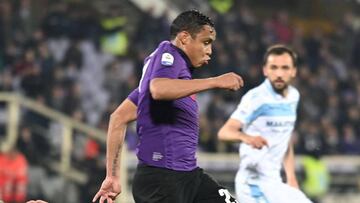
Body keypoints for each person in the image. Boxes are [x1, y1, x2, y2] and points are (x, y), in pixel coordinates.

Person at [93, 10, 243, 203]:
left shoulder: (170, 77)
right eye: (206, 42)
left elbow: (118, 118)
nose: (210, 51)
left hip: (188, 176)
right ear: (184, 38)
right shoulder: (168, 53)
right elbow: (159, 88)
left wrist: (112, 176)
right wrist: (215, 81)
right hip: (162, 178)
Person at [218, 45, 312, 203]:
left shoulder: (293, 97)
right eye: (274, 67)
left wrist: (291, 177)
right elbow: (224, 132)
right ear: (265, 70)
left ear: (294, 71)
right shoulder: (257, 98)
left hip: (275, 183)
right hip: (253, 183)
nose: (279, 73)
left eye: (285, 68)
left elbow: (285, 138)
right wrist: (246, 138)